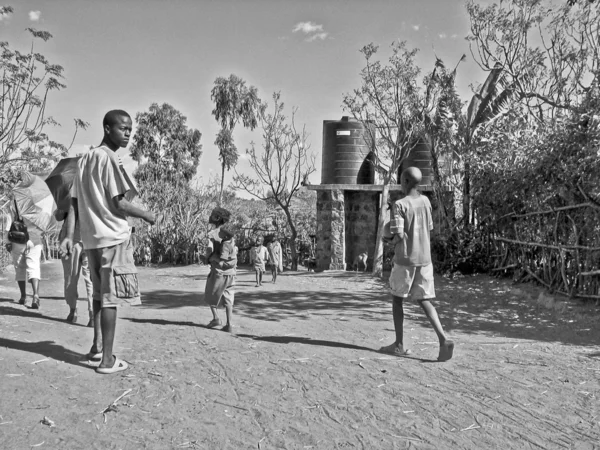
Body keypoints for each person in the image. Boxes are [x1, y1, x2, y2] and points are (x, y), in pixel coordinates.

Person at [60, 109, 155, 375]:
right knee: (110, 298)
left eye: (130, 129)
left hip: (92, 240)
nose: (128, 133)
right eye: (123, 128)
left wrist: (69, 236)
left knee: (101, 296)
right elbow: (119, 202)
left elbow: (74, 203)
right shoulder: (108, 158)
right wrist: (147, 214)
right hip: (112, 236)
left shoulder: (85, 159)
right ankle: (107, 360)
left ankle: (97, 347)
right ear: (107, 128)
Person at [380, 167, 454, 362]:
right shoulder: (426, 202)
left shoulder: (399, 205)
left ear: (404, 181)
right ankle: (443, 338)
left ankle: (399, 344)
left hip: (405, 260)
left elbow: (399, 235)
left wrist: (386, 237)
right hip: (425, 259)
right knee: (424, 300)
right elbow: (428, 229)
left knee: (397, 300)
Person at [55, 208, 94, 326]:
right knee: (91, 279)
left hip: (72, 238)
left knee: (71, 276)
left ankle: (73, 310)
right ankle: (92, 314)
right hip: (91, 236)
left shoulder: (67, 191)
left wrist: (63, 208)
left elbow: (58, 215)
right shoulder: (97, 191)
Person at [204, 207, 237, 333]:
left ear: (217, 218)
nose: (210, 216)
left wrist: (207, 258)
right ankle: (229, 324)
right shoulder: (229, 234)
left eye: (212, 215)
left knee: (210, 294)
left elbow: (209, 249)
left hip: (218, 271)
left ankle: (216, 318)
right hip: (231, 272)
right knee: (229, 297)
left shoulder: (213, 234)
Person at [4, 213, 42, 309]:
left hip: (17, 240)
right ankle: (36, 295)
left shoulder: (14, 206)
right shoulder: (38, 209)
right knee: (34, 267)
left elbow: (7, 228)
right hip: (34, 240)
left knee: (19, 268)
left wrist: (7, 242)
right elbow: (42, 227)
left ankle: (23, 296)